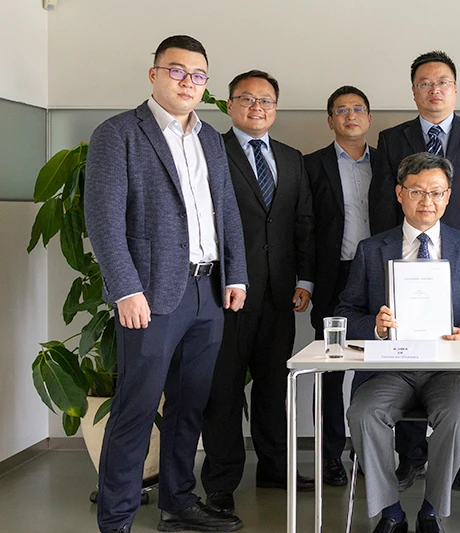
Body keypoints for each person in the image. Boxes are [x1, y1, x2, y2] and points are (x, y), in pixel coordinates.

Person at [84, 35, 247, 533]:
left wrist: (235, 273)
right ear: (154, 74)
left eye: (198, 75)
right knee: (135, 407)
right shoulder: (119, 134)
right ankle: (116, 519)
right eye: (177, 71)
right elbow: (104, 219)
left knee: (189, 405)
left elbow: (227, 213)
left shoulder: (212, 139)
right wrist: (125, 289)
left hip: (206, 291)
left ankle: (178, 501)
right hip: (149, 295)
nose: (188, 82)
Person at [337, 152, 460, 533]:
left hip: (450, 368)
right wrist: (375, 327)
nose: (427, 201)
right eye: (417, 191)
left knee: (459, 416)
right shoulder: (372, 249)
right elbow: (346, 310)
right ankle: (390, 510)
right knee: (362, 413)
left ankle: (432, 510)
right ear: (399, 193)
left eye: (436, 193)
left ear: (448, 196)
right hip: (391, 367)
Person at [375, 50, 460, 492]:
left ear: (455, 88)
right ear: (414, 90)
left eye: (443, 82)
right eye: (425, 83)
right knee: (408, 353)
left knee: (459, 356)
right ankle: (411, 457)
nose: (435, 90)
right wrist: (386, 267)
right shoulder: (393, 137)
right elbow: (383, 203)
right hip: (407, 263)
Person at [200, 70, 317, 515]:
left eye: (266, 101)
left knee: (273, 387)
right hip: (226, 293)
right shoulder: (212, 151)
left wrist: (305, 280)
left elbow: (302, 222)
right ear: (229, 106)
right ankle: (221, 480)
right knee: (224, 390)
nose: (256, 108)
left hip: (280, 294)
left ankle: (274, 468)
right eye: (246, 99)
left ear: (276, 108)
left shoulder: (292, 158)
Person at [303, 85, 389, 487]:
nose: (350, 116)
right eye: (340, 110)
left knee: (378, 366)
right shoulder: (311, 165)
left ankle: (372, 452)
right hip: (333, 276)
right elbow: (303, 228)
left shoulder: (390, 165)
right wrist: (304, 280)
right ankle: (330, 456)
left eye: (358, 109)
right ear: (330, 120)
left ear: (369, 119)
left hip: (381, 275)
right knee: (331, 370)